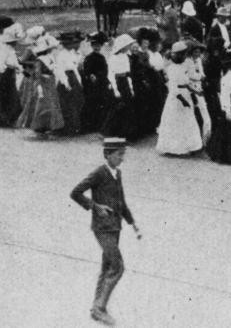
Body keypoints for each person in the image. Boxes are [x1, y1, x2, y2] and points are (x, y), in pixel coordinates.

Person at [70, 137, 142, 327]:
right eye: (119, 154)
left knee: (106, 267)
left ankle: (97, 307)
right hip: (102, 228)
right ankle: (99, 308)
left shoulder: (117, 173)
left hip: (115, 227)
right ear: (107, 154)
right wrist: (94, 206)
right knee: (117, 267)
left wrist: (131, 222)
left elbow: (121, 201)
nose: (122, 158)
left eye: (123, 154)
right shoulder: (98, 173)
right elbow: (75, 192)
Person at [155, 40, 204, 156]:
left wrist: (196, 91)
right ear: (175, 55)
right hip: (176, 99)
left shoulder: (183, 67)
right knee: (176, 122)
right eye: (180, 55)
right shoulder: (171, 69)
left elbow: (186, 83)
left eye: (184, 54)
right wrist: (182, 100)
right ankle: (176, 149)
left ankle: (190, 146)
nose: (183, 57)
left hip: (185, 94)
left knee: (188, 121)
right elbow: (173, 88)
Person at [81, 32, 112, 133]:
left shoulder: (102, 58)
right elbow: (87, 71)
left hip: (101, 83)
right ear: (91, 46)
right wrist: (91, 75)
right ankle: (91, 125)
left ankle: (100, 124)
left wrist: (102, 78)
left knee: (102, 103)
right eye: (94, 45)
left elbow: (105, 70)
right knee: (92, 103)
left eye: (98, 45)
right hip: (92, 85)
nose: (96, 47)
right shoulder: (89, 58)